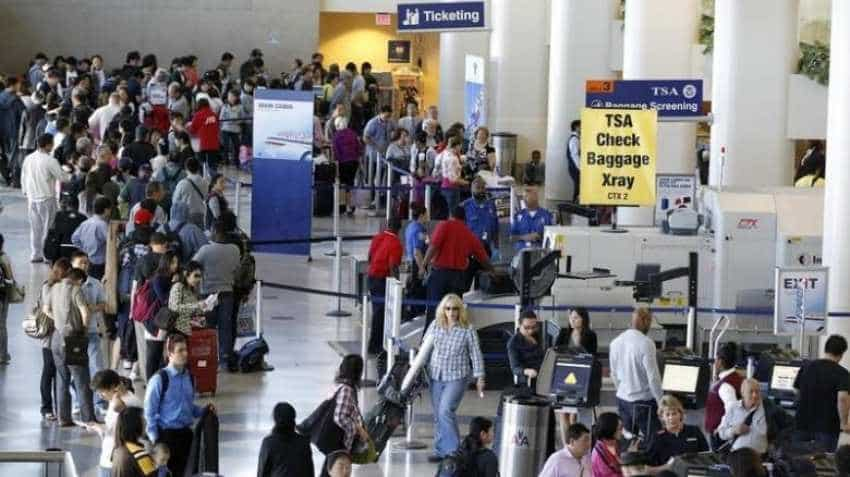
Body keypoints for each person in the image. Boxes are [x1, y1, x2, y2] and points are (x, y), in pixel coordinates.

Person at [424, 294, 486, 462]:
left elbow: (476, 354)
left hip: (457, 377)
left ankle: (455, 453)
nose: (451, 312)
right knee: (438, 414)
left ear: (460, 310)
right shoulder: (435, 325)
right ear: (443, 310)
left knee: (445, 411)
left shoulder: (468, 329)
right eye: (448, 308)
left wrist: (480, 378)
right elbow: (425, 348)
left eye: (455, 308)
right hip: (436, 375)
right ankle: (441, 450)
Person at [144, 333, 215, 477]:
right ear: (170, 353)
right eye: (180, 350)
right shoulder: (159, 379)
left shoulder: (190, 377)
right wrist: (155, 440)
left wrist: (204, 411)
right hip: (166, 437)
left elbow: (190, 407)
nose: (185, 353)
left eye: (186, 349)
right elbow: (149, 412)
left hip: (186, 436)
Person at [421, 206, 493, 332]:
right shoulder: (468, 233)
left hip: (439, 275)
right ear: (464, 218)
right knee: (454, 315)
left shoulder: (444, 225)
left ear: (450, 215)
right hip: (458, 278)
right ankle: (452, 344)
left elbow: (433, 247)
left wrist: (423, 265)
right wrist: (493, 271)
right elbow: (483, 257)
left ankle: (427, 345)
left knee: (434, 312)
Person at [44, 267, 96, 426]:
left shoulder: (53, 288)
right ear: (78, 280)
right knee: (82, 380)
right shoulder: (75, 290)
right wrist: (84, 330)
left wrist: (60, 323)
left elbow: (46, 310)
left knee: (61, 379)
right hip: (73, 339)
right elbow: (85, 313)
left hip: (56, 338)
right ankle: (89, 419)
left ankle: (64, 418)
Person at [609, 308, 663, 442]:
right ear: (646, 321)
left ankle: (628, 463)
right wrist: (661, 402)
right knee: (654, 441)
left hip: (623, 401)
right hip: (644, 402)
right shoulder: (646, 343)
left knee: (628, 442)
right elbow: (653, 377)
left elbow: (613, 374)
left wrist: (623, 391)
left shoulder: (615, 342)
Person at [192, 221, 240, 370]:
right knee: (226, 327)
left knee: (208, 328)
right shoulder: (234, 249)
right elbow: (236, 269)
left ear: (215, 232)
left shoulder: (205, 250)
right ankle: (225, 358)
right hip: (227, 293)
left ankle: (208, 357)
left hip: (207, 294)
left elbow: (192, 265)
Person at [794, 334, 850, 452]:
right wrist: (844, 423)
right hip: (827, 428)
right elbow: (843, 398)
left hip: (801, 423)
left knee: (799, 462)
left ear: (825, 349)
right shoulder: (843, 374)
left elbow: (796, 390)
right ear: (842, 353)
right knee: (823, 464)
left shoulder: (806, 367)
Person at [22, 133, 70, 262]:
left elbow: (24, 177)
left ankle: (35, 254)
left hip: (32, 198)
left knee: (35, 228)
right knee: (48, 229)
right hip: (47, 198)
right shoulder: (50, 160)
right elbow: (63, 177)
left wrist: (25, 192)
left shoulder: (28, 158)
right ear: (48, 144)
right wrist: (70, 173)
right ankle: (47, 255)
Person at [319, 355, 368, 477]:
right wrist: (357, 428)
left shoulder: (340, 386)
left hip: (334, 442)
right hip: (339, 443)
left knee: (329, 470)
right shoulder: (347, 390)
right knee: (336, 471)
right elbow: (340, 417)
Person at [89, 369, 143, 477]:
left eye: (102, 391)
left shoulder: (127, 402)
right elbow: (114, 427)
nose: (101, 396)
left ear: (113, 386)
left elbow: (129, 433)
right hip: (109, 456)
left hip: (118, 461)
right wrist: (100, 428)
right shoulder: (114, 400)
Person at [70, 251, 107, 403]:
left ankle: (100, 400)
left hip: (91, 331)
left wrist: (93, 308)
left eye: (86, 263)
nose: (84, 266)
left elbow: (104, 304)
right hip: (73, 334)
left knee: (96, 366)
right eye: (80, 263)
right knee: (76, 371)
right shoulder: (67, 284)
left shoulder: (95, 283)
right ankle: (78, 401)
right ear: (72, 265)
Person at [366, 218, 403, 355]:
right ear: (399, 229)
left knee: (377, 311)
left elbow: (369, 257)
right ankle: (375, 345)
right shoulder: (396, 243)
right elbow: (393, 266)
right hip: (382, 280)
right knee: (380, 313)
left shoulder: (378, 237)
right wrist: (397, 285)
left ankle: (376, 343)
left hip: (372, 277)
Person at [646, 395, 708, 470]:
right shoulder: (657, 437)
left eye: (674, 413)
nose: (671, 417)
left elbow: (706, 456)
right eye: (667, 414)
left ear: (680, 414)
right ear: (662, 417)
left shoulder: (694, 430)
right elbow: (648, 466)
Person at [145, 252, 179, 380]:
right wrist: (173, 285)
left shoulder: (168, 277)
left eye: (176, 262)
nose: (175, 265)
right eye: (172, 262)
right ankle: (150, 383)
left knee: (159, 353)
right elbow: (164, 299)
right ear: (166, 263)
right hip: (155, 321)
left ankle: (157, 382)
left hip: (163, 320)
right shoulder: (158, 278)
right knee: (154, 354)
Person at [257, 402, 315, 477]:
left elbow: (262, 473)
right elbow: (310, 473)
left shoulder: (268, 443)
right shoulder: (303, 443)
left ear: (275, 419)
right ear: (293, 419)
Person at [716, 378, 769, 454]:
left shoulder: (767, 408)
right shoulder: (733, 408)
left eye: (757, 391)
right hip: (737, 456)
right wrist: (734, 430)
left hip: (760, 457)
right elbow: (721, 433)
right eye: (751, 392)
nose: (755, 395)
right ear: (742, 393)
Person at [705, 342, 742, 449]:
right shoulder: (737, 378)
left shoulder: (725, 385)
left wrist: (721, 428)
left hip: (721, 435)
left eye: (716, 359)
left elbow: (732, 408)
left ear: (720, 362)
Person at [71, 196, 112, 279]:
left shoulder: (86, 223)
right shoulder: (103, 225)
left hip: (86, 260)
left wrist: (83, 249)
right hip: (99, 263)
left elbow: (74, 239)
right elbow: (112, 242)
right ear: (106, 210)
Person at [112, 407, 158, 477]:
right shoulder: (140, 455)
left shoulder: (117, 448)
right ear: (136, 424)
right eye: (144, 420)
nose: (146, 424)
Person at [331, 116, 361, 216]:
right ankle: (351, 206)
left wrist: (336, 162)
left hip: (343, 162)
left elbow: (336, 152)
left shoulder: (336, 135)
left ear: (338, 125)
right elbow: (358, 147)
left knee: (342, 184)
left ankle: (343, 206)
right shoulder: (353, 133)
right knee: (351, 183)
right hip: (354, 161)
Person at [506, 310, 545, 387]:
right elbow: (515, 368)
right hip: (528, 379)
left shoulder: (538, 334)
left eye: (533, 327)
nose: (530, 331)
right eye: (526, 327)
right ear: (519, 325)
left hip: (544, 373)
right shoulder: (513, 343)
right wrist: (527, 371)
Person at [462, 176, 499, 256]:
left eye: (482, 188)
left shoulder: (491, 205)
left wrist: (496, 247)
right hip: (470, 248)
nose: (480, 190)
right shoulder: (465, 206)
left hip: (486, 247)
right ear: (472, 190)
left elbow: (495, 228)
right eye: (477, 188)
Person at [186, 98, 220, 176]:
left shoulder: (198, 115)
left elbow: (192, 130)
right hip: (214, 143)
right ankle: (214, 180)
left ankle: (201, 179)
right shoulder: (214, 114)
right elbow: (217, 127)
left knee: (201, 164)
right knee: (212, 165)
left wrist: (188, 127)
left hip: (202, 144)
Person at [172, 157, 208, 227]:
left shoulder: (182, 183)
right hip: (200, 212)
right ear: (198, 168)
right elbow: (205, 197)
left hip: (186, 214)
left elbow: (175, 200)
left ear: (186, 169)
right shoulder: (205, 182)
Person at [592, 412, 629, 477]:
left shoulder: (614, 442)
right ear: (610, 430)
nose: (622, 432)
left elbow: (619, 462)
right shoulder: (599, 455)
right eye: (620, 429)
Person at [439, 136, 468, 213]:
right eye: (460, 146)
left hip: (444, 187)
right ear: (457, 146)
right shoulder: (453, 159)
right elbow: (454, 180)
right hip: (452, 189)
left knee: (447, 213)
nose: (461, 148)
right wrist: (467, 183)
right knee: (453, 213)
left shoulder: (445, 153)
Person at [0, 234, 13, 364]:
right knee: (1, 326)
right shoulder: (4, 258)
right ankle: (2, 355)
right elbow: (10, 279)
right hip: (2, 296)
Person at [567, 120, 581, 202]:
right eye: (581, 126)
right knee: (578, 188)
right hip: (575, 168)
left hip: (575, 167)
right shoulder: (574, 139)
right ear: (576, 127)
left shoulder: (577, 139)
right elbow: (575, 155)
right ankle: (575, 207)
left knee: (578, 187)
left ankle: (575, 207)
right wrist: (581, 168)